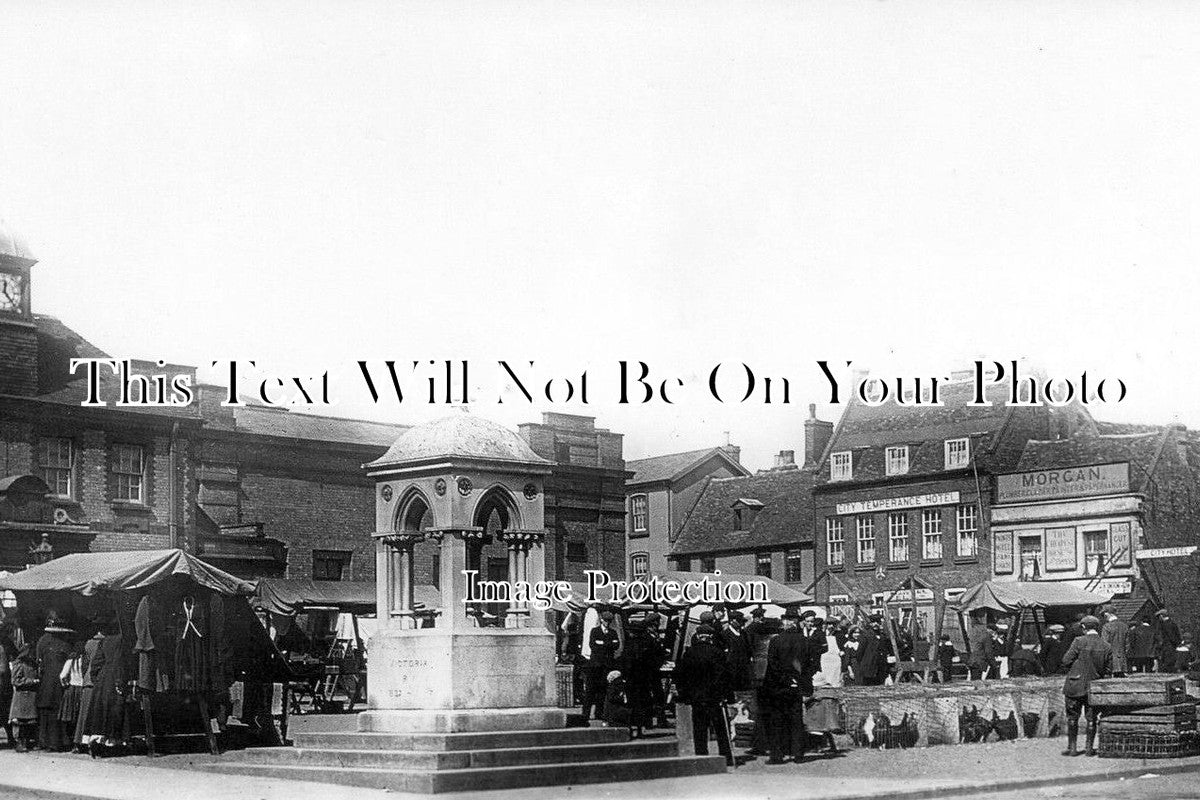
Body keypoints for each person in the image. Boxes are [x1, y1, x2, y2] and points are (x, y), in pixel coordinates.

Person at [758, 607, 817, 764]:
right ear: (797, 622)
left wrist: (786, 680)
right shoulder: (805, 641)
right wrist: (799, 680)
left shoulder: (776, 640)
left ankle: (777, 755)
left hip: (779, 687)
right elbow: (811, 665)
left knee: (777, 720)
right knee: (796, 720)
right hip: (797, 687)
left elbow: (773, 664)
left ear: (785, 622)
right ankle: (798, 754)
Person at [674, 624, 733, 765]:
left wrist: (685, 694)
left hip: (696, 698)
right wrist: (726, 695)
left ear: (698, 636)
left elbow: (681, 676)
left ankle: (701, 757)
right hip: (714, 698)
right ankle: (726, 758)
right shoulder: (717, 653)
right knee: (720, 729)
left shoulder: (689, 653)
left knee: (699, 729)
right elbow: (724, 676)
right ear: (710, 637)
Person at [1061, 615, 1113, 757]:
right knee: (1092, 718)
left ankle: (1072, 749)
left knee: (1073, 717)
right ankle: (1089, 749)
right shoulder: (1106, 645)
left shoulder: (1078, 641)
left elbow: (1066, 660)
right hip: (1094, 687)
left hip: (1075, 684)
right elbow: (1109, 669)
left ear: (1084, 627)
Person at [35, 616, 73, 752]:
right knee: (56, 712)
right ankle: (56, 742)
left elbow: (39, 661)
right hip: (58, 682)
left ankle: (43, 741)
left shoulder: (42, 641)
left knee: (44, 712)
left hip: (45, 681)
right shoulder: (65, 644)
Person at [583, 610, 621, 722]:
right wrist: (608, 644)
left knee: (603, 690)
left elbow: (616, 645)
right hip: (595, 666)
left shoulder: (613, 632)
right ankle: (585, 714)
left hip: (607, 666)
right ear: (601, 620)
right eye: (606, 621)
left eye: (609, 621)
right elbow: (593, 646)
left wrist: (603, 644)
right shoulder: (595, 631)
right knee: (590, 690)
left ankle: (599, 712)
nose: (607, 623)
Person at [8, 646, 38, 752]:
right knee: (20, 721)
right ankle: (20, 743)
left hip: (30, 696)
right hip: (22, 697)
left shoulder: (33, 664)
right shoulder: (19, 664)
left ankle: (27, 742)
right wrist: (31, 681)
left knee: (28, 721)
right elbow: (15, 680)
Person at [1100, 610, 1129, 677]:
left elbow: (1104, 644)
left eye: (1104, 616)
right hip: (1123, 663)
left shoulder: (1106, 626)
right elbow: (1127, 644)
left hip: (1111, 663)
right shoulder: (1124, 626)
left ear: (1107, 614)